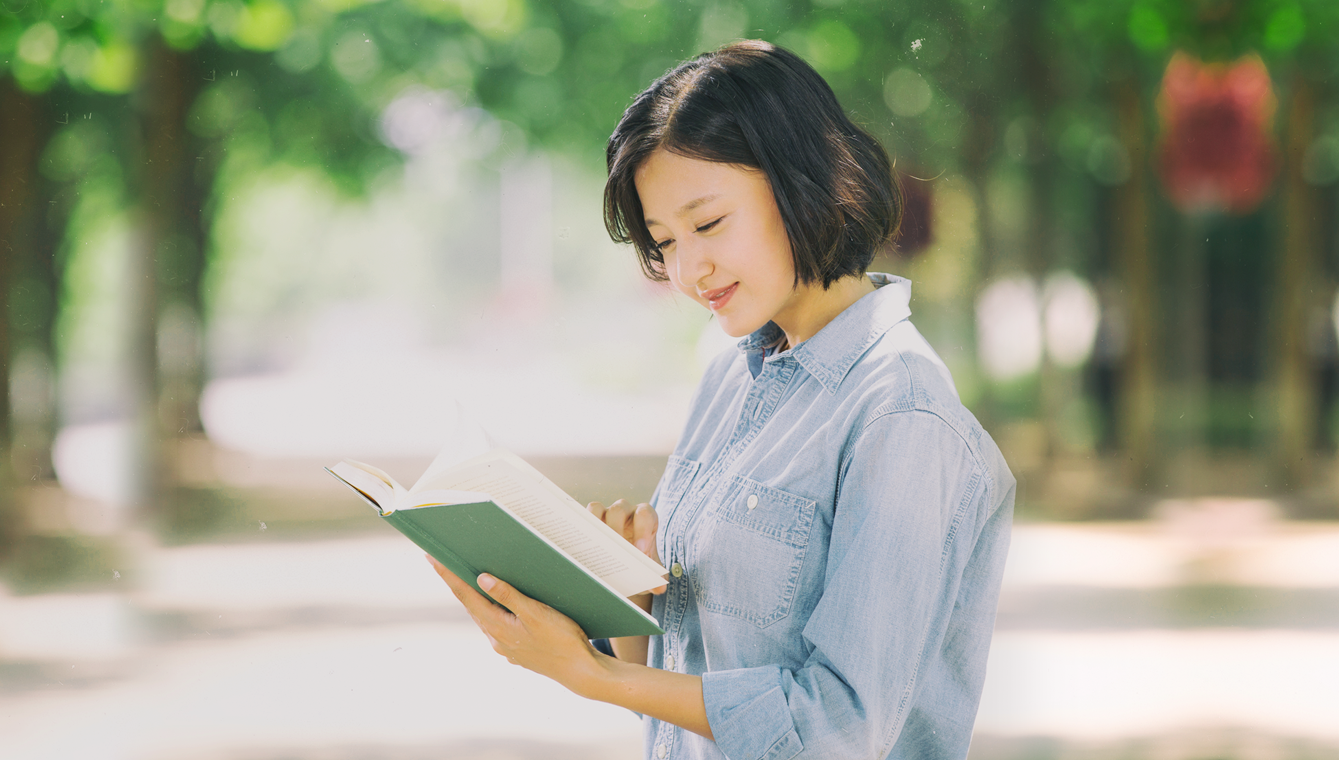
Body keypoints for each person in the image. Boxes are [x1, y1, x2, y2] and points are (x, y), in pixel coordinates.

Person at [428, 40, 1016, 760]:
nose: (688, 269)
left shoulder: (902, 418)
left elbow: (839, 728)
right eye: (664, 241)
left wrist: (595, 675)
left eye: (707, 225)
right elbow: (687, 701)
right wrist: (638, 605)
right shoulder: (730, 379)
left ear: (804, 180)